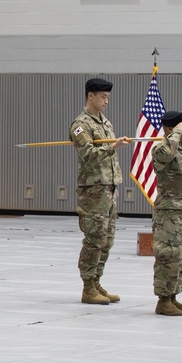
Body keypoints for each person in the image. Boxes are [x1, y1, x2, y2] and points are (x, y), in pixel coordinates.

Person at [69, 78, 131, 304]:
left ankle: (96, 282)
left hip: (108, 188)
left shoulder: (104, 122)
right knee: (94, 238)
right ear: (91, 96)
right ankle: (87, 287)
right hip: (93, 191)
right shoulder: (80, 124)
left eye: (108, 97)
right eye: (103, 97)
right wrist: (113, 147)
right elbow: (87, 154)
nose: (106, 101)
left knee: (107, 239)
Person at [151, 109, 182, 316]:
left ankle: (173, 295)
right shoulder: (161, 148)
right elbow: (164, 156)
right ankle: (163, 299)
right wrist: (175, 134)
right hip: (169, 212)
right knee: (168, 255)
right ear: (171, 128)